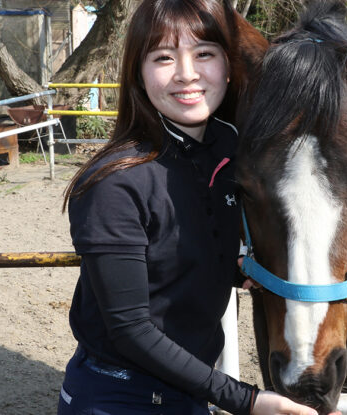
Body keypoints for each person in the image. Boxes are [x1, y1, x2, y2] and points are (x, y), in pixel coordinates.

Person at [57, 1, 316, 414]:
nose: (187, 73)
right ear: (138, 75)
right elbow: (129, 328)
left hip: (190, 390)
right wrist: (246, 401)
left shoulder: (230, 151)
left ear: (229, 65)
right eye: (163, 57)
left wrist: (244, 271)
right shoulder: (115, 182)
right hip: (118, 396)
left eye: (204, 54)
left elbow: (194, 248)